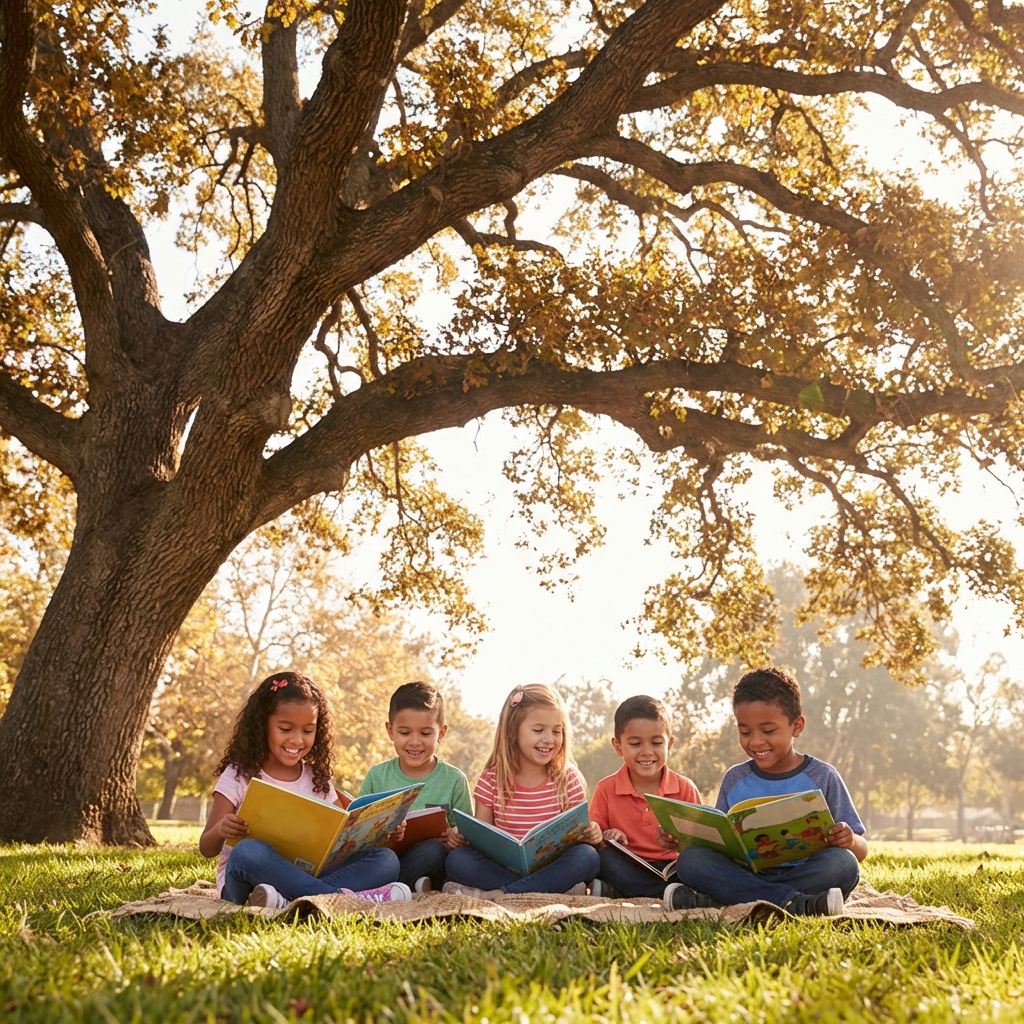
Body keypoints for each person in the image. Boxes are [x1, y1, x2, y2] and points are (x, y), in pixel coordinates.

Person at [670, 666, 868, 916]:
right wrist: (686, 839)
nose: (755, 741)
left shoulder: (823, 776)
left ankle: (728, 900)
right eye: (745, 732)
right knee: (690, 859)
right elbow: (719, 842)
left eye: (768, 731)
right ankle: (796, 904)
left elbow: (861, 850)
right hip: (744, 872)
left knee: (843, 864)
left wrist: (849, 840)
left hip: (805, 870)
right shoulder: (735, 778)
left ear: (797, 726)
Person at [199, 671, 407, 908]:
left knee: (386, 860)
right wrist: (221, 829)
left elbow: (340, 834)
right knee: (249, 851)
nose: (297, 740)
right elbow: (206, 848)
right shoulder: (238, 774)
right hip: (246, 880)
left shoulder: (317, 777)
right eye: (285, 729)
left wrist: (382, 833)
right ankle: (341, 900)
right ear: (262, 726)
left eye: (308, 731)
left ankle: (288, 899)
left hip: (308, 874)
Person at [443, 683, 602, 898]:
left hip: (552, 866)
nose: (549, 739)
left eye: (557, 731)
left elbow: (579, 833)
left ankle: (501, 893)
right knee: (458, 860)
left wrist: (591, 833)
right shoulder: (493, 778)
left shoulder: (568, 778)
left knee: (587, 856)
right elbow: (481, 838)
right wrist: (460, 837)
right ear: (512, 732)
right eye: (538, 730)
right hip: (502, 868)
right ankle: (549, 890)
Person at [357, 681, 473, 891]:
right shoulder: (377, 775)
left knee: (435, 852)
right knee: (382, 859)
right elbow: (359, 834)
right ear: (390, 731)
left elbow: (467, 835)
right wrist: (385, 834)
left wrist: (457, 837)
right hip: (385, 857)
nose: (415, 742)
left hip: (430, 858)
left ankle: (392, 887)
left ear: (442, 733)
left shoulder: (454, 779)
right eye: (405, 733)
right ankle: (408, 885)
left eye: (425, 734)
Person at [589, 695, 705, 899]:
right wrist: (607, 835)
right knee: (598, 857)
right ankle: (670, 896)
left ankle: (619, 892)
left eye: (656, 743)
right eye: (635, 744)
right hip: (628, 866)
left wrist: (679, 842)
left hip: (674, 869)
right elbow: (595, 836)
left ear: (669, 744)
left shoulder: (685, 788)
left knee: (695, 863)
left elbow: (702, 843)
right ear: (618, 747)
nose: (647, 752)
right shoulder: (606, 789)